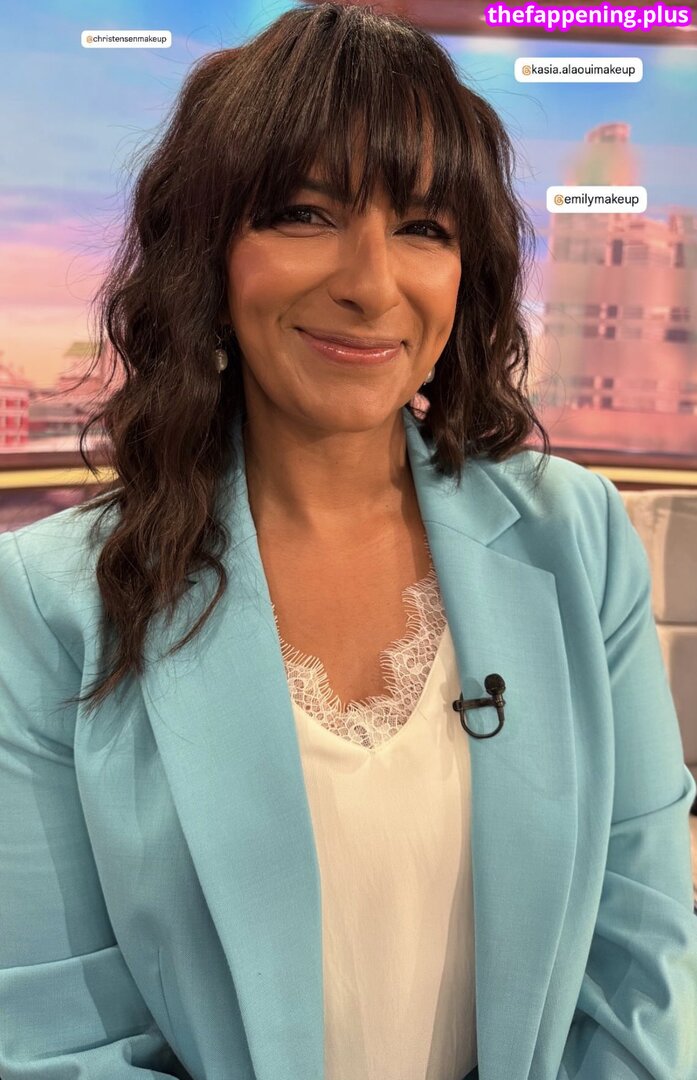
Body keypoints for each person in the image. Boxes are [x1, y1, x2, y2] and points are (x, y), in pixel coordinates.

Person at [1, 3, 695, 1078]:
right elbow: (54, 1035)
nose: (370, 284)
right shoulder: (50, 600)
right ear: (208, 259)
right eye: (304, 214)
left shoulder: (577, 538)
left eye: (424, 228)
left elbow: (641, 959)